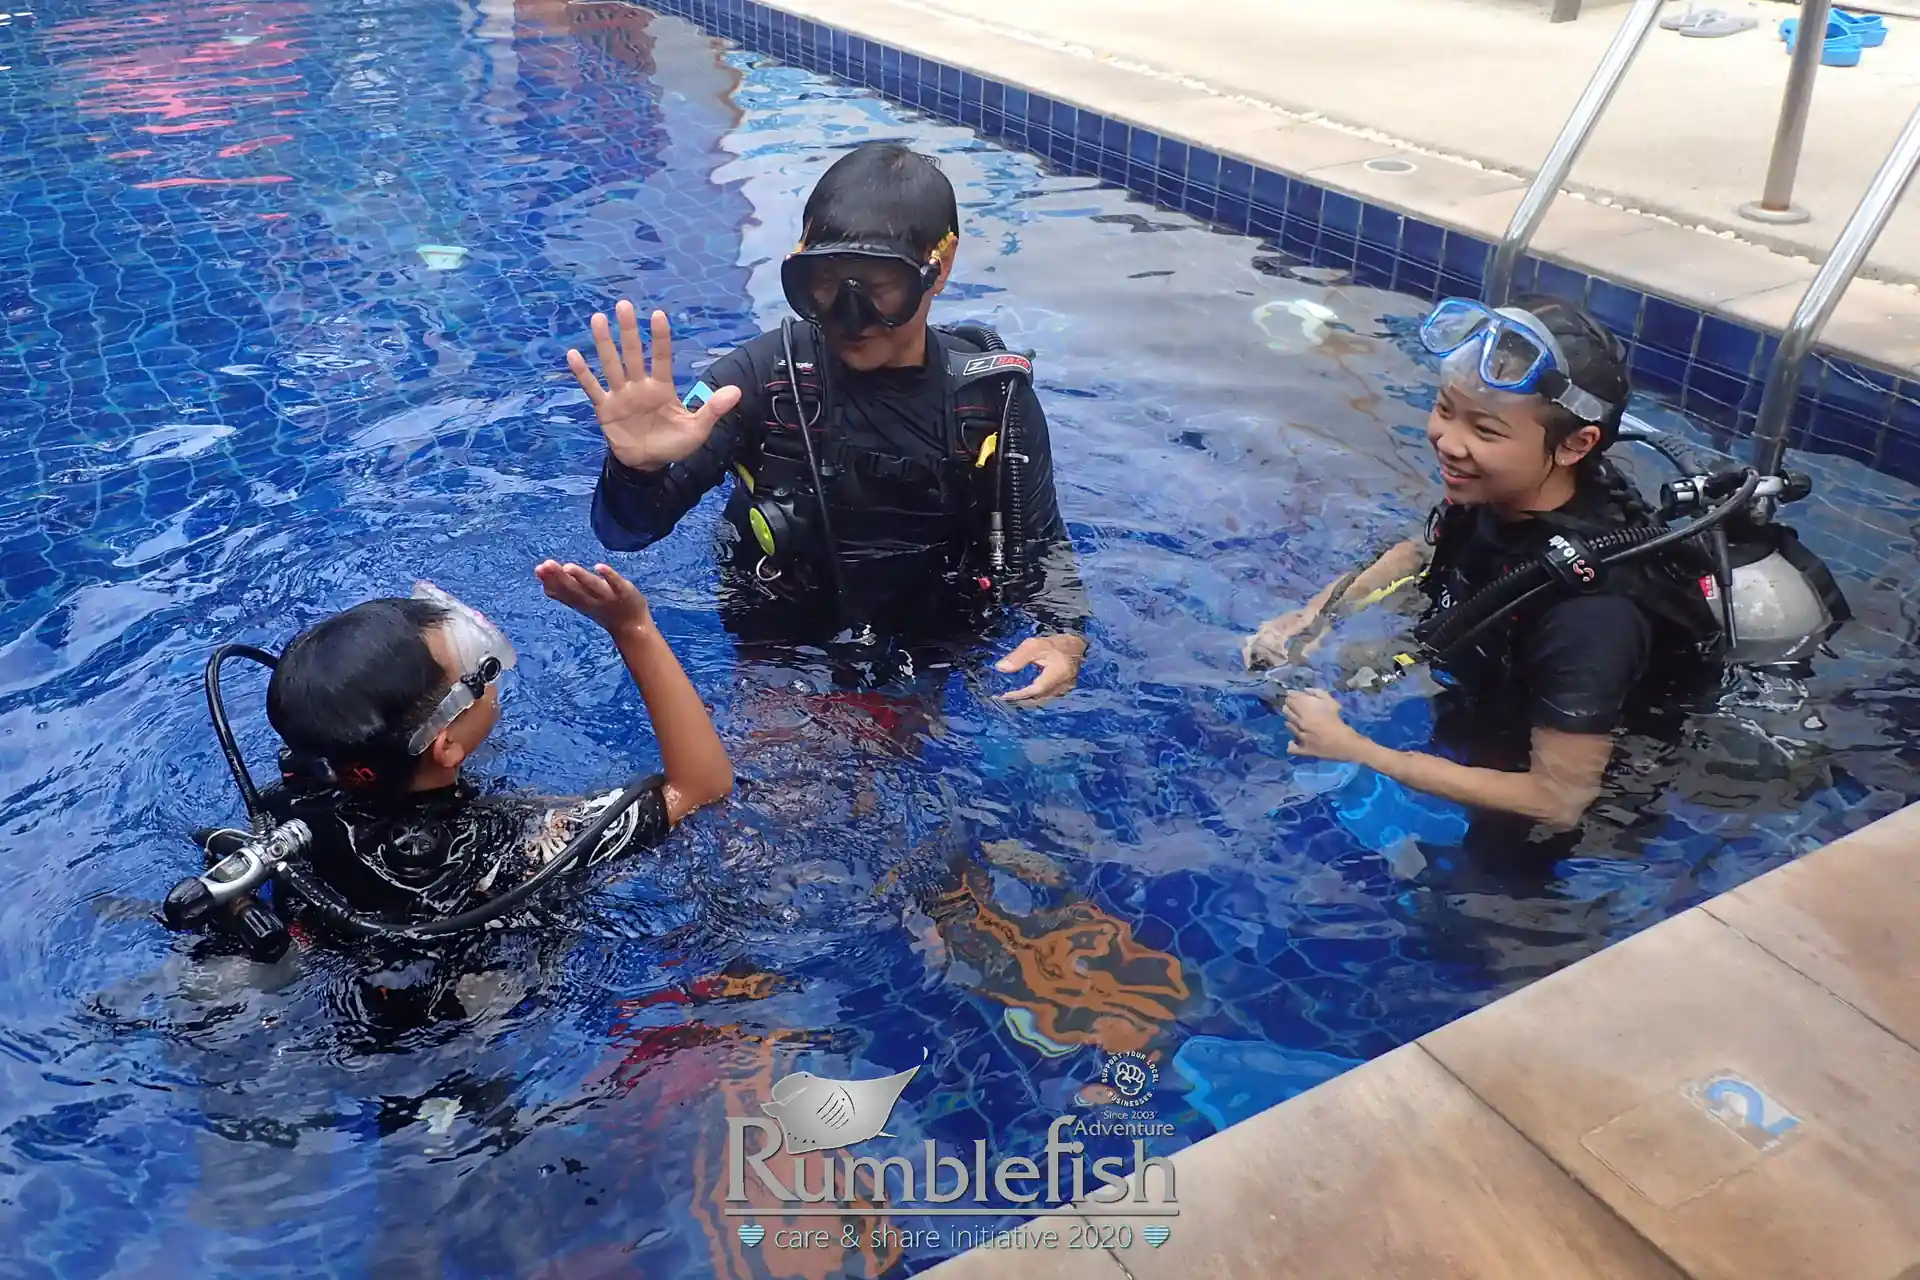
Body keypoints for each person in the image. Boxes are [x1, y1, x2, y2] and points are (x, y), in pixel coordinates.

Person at [573, 142, 1090, 701]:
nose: (850, 318)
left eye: (880, 286)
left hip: (934, 630)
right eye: (825, 283)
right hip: (779, 628)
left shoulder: (990, 399)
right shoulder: (758, 377)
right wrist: (636, 469)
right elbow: (625, 533)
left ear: (938, 268)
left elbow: (1039, 547)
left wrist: (1063, 636)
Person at [1244, 296, 1722, 830]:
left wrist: (1359, 751)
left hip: (1575, 825)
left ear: (1575, 445)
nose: (1449, 442)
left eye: (1486, 431)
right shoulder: (1501, 492)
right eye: (1445, 409)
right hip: (1484, 700)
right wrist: (1314, 617)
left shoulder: (1594, 613)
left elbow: (1561, 800)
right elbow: (1421, 552)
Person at [257, 561, 733, 922]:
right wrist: (634, 629)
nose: (492, 676)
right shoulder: (501, 848)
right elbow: (701, 786)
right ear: (445, 748)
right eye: (480, 670)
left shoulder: (294, 799)